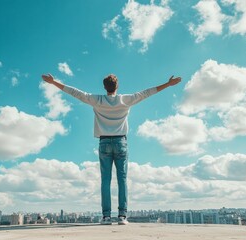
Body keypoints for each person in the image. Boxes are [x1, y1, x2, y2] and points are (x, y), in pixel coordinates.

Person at [41, 73, 181, 225]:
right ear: (117, 86)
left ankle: (106, 217)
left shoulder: (97, 100)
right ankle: (122, 216)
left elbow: (75, 93)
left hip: (104, 142)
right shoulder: (125, 100)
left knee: (105, 180)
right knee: (122, 180)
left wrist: (54, 82)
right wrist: (168, 84)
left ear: (104, 87)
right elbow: (147, 93)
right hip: (121, 142)